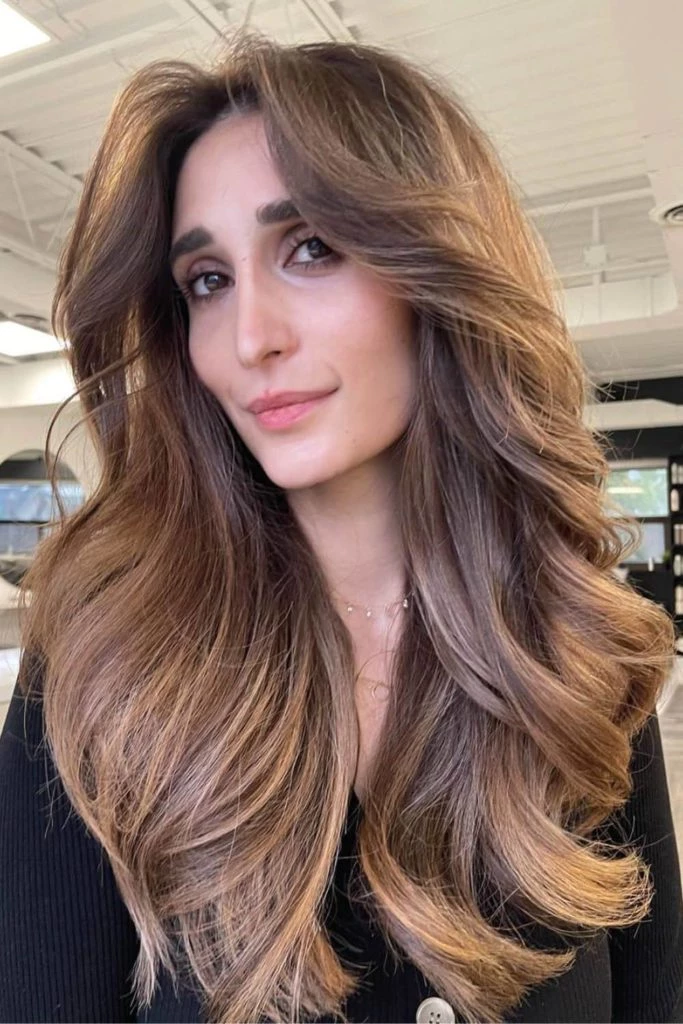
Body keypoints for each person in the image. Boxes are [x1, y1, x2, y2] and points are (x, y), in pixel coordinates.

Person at [0, 28, 681, 1024]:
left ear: (437, 268)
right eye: (207, 280)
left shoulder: (573, 649)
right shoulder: (104, 663)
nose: (249, 337)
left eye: (311, 248)